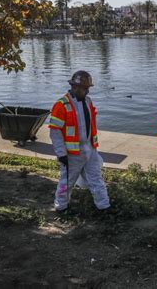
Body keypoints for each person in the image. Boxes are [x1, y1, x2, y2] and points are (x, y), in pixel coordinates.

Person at [48, 70, 110, 212]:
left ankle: (104, 207)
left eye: (88, 88)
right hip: (72, 154)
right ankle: (61, 207)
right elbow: (55, 132)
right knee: (66, 182)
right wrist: (61, 153)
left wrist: (93, 147)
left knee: (96, 179)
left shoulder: (87, 101)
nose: (87, 91)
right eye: (85, 88)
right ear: (75, 87)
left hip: (90, 150)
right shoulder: (61, 105)